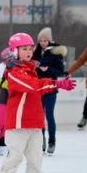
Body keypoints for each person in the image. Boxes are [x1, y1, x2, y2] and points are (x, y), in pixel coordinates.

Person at [0, 32, 75, 173]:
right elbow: (32, 86)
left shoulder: (31, 70)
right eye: (24, 49)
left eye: (30, 48)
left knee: (36, 158)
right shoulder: (13, 72)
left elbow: (39, 88)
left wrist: (55, 84)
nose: (29, 52)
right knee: (14, 157)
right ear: (15, 51)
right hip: (18, 123)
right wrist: (56, 83)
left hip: (35, 122)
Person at [32, 26, 67, 154]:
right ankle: (41, 140)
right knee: (39, 116)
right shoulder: (35, 53)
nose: (43, 43)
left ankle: (52, 141)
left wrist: (48, 70)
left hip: (51, 88)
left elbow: (60, 71)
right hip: (38, 88)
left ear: (49, 40)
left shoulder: (55, 53)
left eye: (45, 40)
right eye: (41, 40)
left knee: (49, 115)